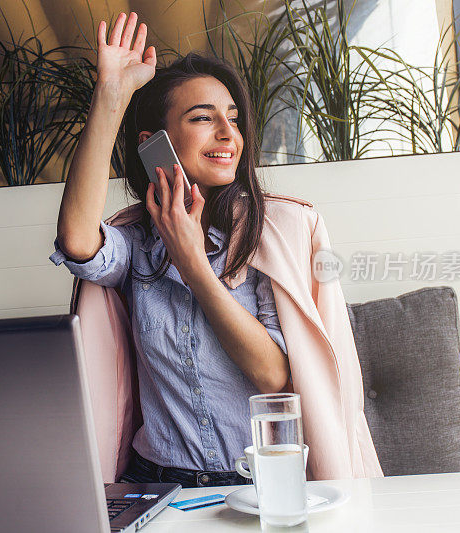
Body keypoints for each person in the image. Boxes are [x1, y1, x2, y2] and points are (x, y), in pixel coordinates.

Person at [50, 12, 381, 487]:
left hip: (257, 484)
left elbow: (274, 376)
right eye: (203, 118)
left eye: (233, 118)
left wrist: (193, 265)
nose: (228, 134)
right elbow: (77, 241)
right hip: (157, 485)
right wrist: (111, 96)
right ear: (153, 145)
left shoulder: (273, 237)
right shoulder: (138, 244)